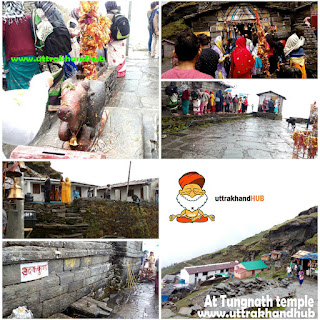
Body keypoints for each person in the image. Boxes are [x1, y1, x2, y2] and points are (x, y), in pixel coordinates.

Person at [3, 1, 41, 90]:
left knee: (17, 93)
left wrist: (4, 64)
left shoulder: (4, 21)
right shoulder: (29, 18)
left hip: (15, 62)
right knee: (34, 88)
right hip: (32, 59)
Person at [105, 1, 127, 78]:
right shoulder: (122, 13)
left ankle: (114, 73)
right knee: (121, 55)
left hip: (113, 40)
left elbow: (106, 29)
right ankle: (122, 72)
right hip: (122, 39)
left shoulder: (108, 16)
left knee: (113, 56)